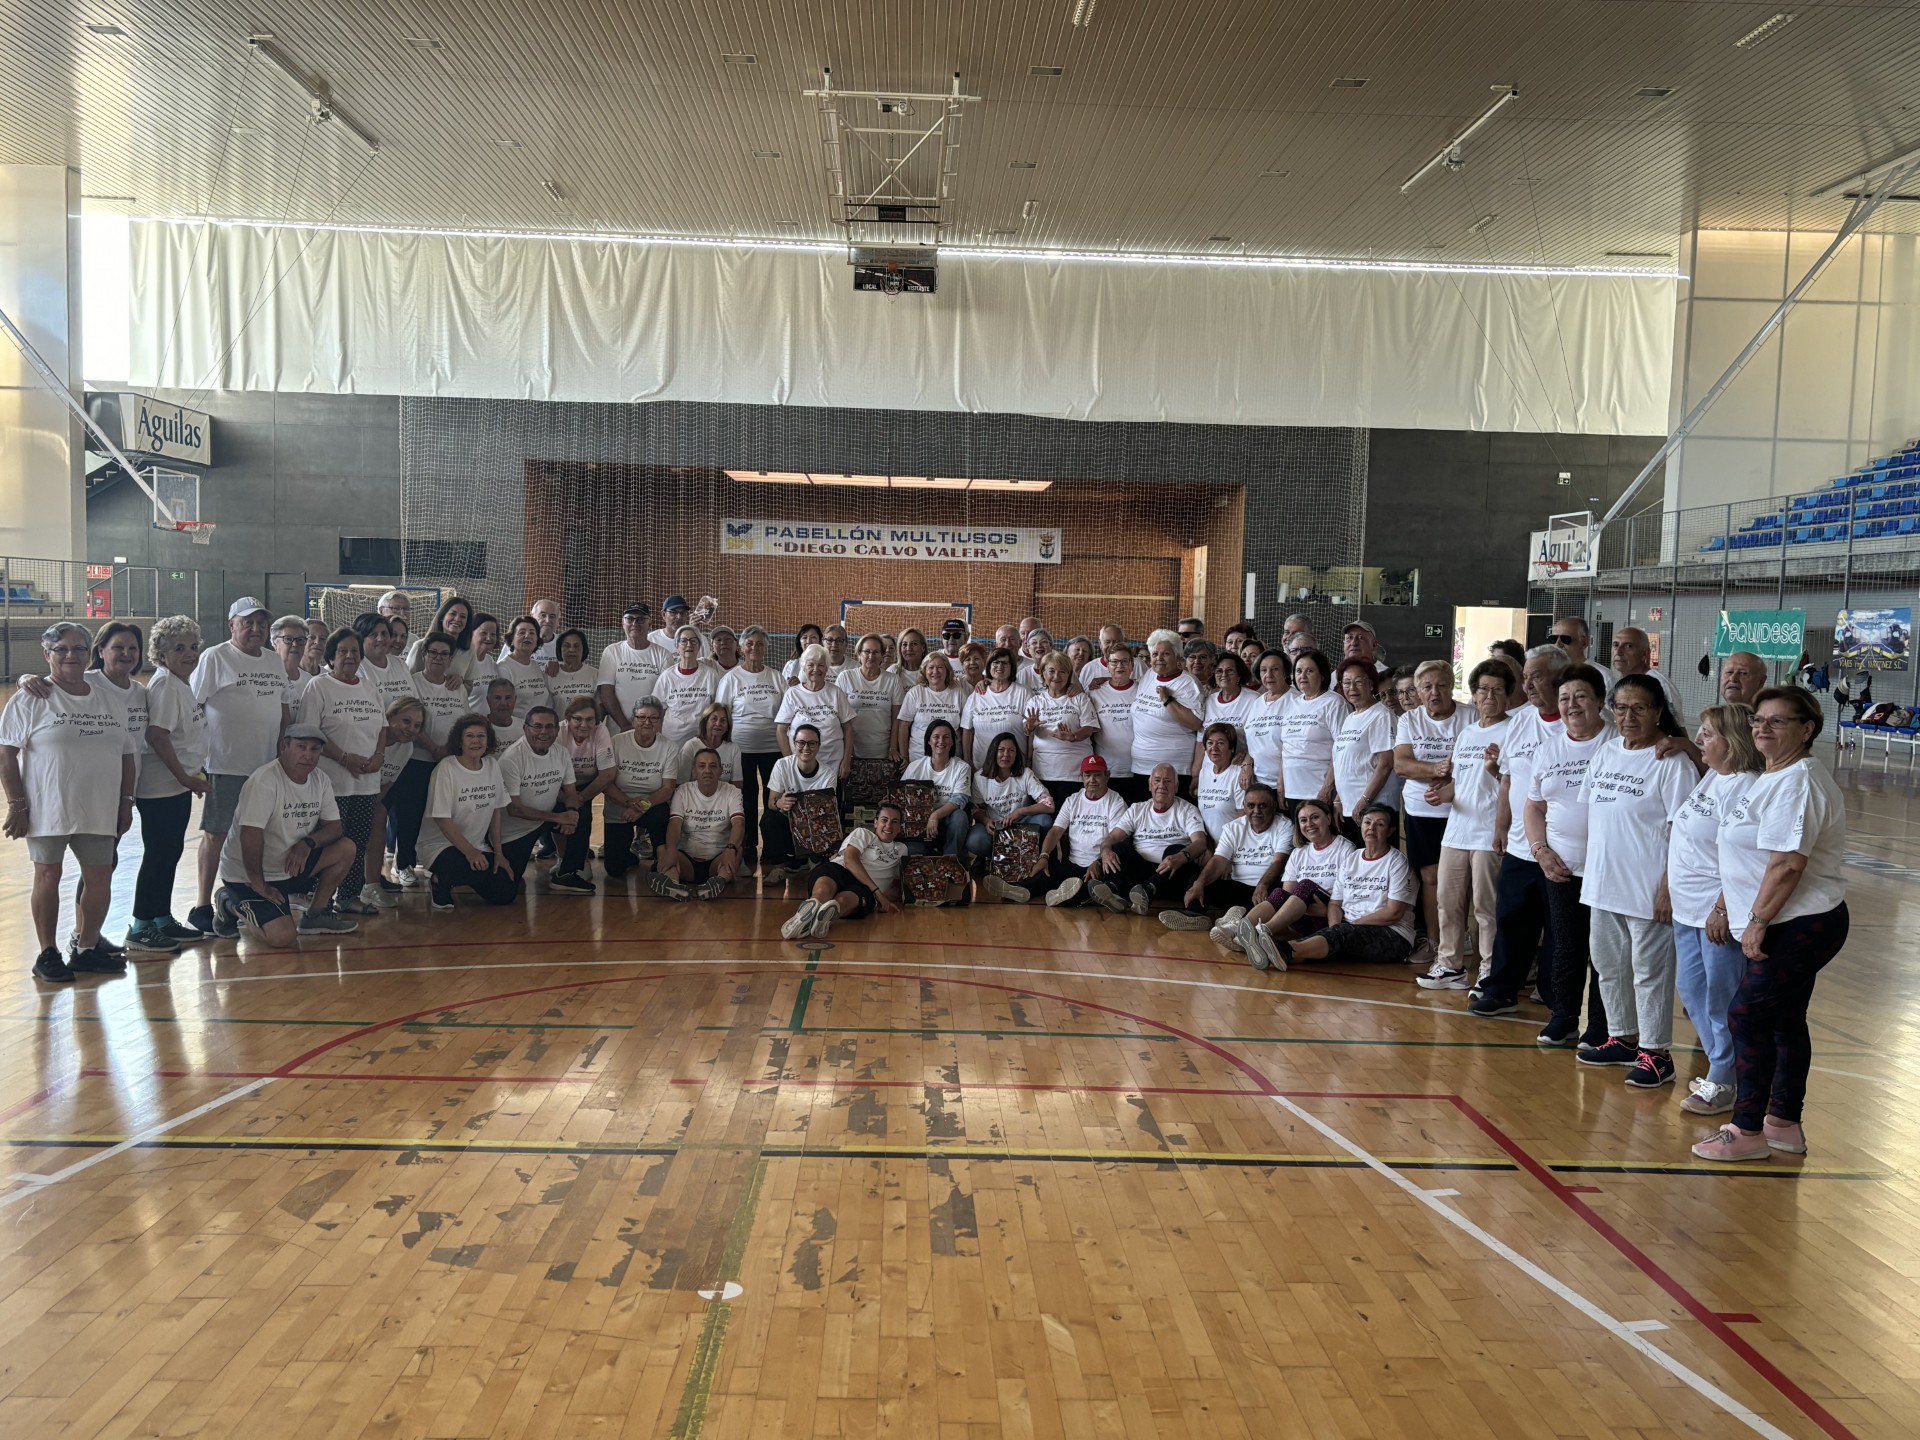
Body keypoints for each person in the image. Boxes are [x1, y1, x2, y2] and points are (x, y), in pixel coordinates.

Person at [1693, 688, 1850, 1162]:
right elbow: (1748, 854)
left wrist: (1758, 922)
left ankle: (1746, 1130)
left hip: (1797, 923)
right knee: (1782, 1019)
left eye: (1778, 722)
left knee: (1747, 1015)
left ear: (1807, 729)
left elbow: (1786, 864)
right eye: (1760, 720)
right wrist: (1730, 905)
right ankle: (1782, 1124)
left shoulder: (1798, 781)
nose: (1763, 728)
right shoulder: (1772, 775)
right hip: (1780, 919)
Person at [1577, 674, 1702, 1086]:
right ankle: (1623, 1037)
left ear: (1659, 713)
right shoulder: (1607, 753)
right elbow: (1596, 818)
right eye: (1621, 707)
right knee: (1609, 967)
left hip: (1648, 890)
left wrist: (1668, 887)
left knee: (1650, 972)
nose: (1628, 716)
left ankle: (1657, 1054)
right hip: (1602, 883)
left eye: (1639, 708)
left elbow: (1683, 833)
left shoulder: (1672, 764)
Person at [1, 623, 139, 978]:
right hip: (48, 806)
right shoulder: (31, 698)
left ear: (88, 653)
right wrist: (17, 804)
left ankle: (86, 947)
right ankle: (47, 953)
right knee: (48, 874)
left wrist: (126, 801)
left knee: (100, 877)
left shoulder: (109, 697)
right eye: (61, 649)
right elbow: (6, 755)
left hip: (100, 805)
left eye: (78, 649)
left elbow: (127, 753)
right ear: (47, 654)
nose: (70, 656)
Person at [1666, 703, 1762, 1116]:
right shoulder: (1713, 778)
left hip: (1716, 913)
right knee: (1692, 991)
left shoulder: (1747, 785)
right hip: (1686, 908)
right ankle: (1725, 1067)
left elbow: (1743, 856)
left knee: (1721, 999)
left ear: (1732, 740)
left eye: (1708, 734)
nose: (1699, 740)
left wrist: (1722, 907)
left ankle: (1725, 1077)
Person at [1468, 644, 1571, 1019]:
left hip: (1563, 849)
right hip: (1520, 845)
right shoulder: (1522, 721)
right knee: (1512, 920)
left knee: (1558, 928)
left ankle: (1553, 990)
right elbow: (1508, 780)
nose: (1527, 685)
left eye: (1536, 676)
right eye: (1525, 677)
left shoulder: (1583, 720)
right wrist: (1501, 827)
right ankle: (1502, 989)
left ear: (1560, 676)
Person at [187, 598, 293, 936]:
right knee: (216, 834)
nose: (255, 629)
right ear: (232, 625)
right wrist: (197, 759)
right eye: (247, 622)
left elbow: (284, 708)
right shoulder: (215, 657)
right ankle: (203, 905)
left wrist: (282, 748)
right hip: (225, 764)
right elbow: (193, 706)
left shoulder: (274, 660)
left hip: (266, 766)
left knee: (257, 834)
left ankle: (244, 895)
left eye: (261, 623)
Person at [1524, 664, 1614, 1049]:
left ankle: (1602, 1024)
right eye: (1564, 698)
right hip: (1561, 867)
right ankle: (1564, 1016)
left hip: (1609, 871)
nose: (1572, 705)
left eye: (1580, 697)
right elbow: (1533, 807)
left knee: (1605, 951)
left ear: (1599, 701)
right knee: (1565, 944)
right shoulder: (1549, 749)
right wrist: (1541, 851)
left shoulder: (1617, 743)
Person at [210, 724, 359, 945]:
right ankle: (229, 903)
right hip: (248, 876)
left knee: (346, 848)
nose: (308, 755)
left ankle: (315, 916)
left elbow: (335, 828)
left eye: (314, 749)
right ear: (284, 747)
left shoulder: (320, 779)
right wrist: (259, 884)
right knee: (282, 937)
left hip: (289, 867)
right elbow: (250, 836)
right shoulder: (264, 781)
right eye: (301, 747)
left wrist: (308, 843)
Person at [1419, 660, 1517, 991]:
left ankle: (1489, 968)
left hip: (1489, 832)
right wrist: (1440, 794)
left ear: (1508, 697)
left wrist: (1494, 770)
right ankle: (1450, 965)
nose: (1489, 696)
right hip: (1457, 831)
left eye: (1498, 690)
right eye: (1483, 689)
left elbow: (1515, 785)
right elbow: (1458, 785)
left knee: (1486, 908)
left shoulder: (1513, 731)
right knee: (1448, 902)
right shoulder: (1467, 733)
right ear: (1473, 695)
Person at [1241, 805, 1416, 972]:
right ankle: (1269, 948)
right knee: (1323, 940)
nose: (1371, 828)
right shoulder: (1353, 859)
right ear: (1361, 825)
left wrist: (1350, 926)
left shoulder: (1397, 862)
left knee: (1336, 936)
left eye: (1380, 824)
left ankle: (1280, 949)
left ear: (1391, 831)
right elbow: (1334, 904)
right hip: (1349, 928)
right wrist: (1334, 928)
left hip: (1393, 935)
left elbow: (1394, 913)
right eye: (1367, 822)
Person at [129, 616, 209, 949]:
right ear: (161, 653)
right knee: (158, 854)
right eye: (179, 648)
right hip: (161, 787)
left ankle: (161, 917)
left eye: (193, 647)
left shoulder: (182, 682)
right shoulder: (164, 685)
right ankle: (140, 925)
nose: (189, 654)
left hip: (178, 785)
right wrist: (184, 777)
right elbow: (157, 736)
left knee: (171, 852)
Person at [299, 628, 390, 916]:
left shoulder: (368, 686)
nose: (350, 656)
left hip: (366, 783)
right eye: (343, 651)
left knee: (358, 840)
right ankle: (318, 899)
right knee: (330, 843)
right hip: (331, 783)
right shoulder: (318, 687)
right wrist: (344, 758)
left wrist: (378, 756)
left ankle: (348, 896)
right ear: (331, 656)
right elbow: (310, 733)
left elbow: (383, 727)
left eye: (355, 651)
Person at [1394, 659, 1466, 968]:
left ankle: (1461, 942)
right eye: (1427, 687)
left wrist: (1451, 780)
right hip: (1421, 811)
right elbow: (1402, 765)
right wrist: (1435, 769)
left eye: (1440, 685)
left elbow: (1474, 764)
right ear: (1419, 692)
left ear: (1451, 687)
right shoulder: (1410, 720)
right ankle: (1435, 942)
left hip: (1464, 811)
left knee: (1464, 881)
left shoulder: (1471, 716)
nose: (1434, 692)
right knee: (1430, 878)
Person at [1227, 797, 1356, 963]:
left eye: (1315, 817)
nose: (1309, 824)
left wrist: (1326, 911)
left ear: (1329, 818)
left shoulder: (1346, 849)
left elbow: (1351, 895)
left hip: (1329, 917)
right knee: (1280, 893)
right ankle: (1240, 930)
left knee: (1305, 886)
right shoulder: (1299, 852)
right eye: (1303, 820)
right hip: (1304, 915)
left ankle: (1262, 932)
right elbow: (1287, 897)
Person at [420, 713, 516, 908]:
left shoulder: (492, 765)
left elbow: (497, 811)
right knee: (465, 867)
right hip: (440, 846)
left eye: (481, 736)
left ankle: (470, 874)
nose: (475, 741)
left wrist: (498, 853)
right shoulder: (446, 768)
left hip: (478, 845)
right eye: (469, 736)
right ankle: (440, 880)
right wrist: (470, 852)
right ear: (460, 741)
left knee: (505, 893)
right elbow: (442, 819)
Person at [393, 632, 467, 883]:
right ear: (424, 654)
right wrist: (433, 747)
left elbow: (462, 724)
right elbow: (410, 721)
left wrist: (450, 749)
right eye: (433, 652)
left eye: (443, 654)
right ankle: (403, 864)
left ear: (450, 658)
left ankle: (436, 861)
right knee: (410, 815)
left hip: (448, 764)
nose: (438, 658)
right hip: (417, 762)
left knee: (443, 816)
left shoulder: (457, 687)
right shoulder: (412, 683)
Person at [1170, 782, 1291, 931]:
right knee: (1198, 878)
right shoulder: (1233, 827)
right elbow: (1218, 860)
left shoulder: (1285, 826)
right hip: (1237, 889)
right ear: (1244, 807)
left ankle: (1239, 924)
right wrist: (1200, 883)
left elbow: (1278, 862)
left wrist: (1262, 885)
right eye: (1251, 806)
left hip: (1264, 890)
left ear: (1273, 805)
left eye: (1262, 806)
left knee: (1278, 890)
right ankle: (1194, 916)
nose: (1256, 811)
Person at [1090, 763, 1208, 916]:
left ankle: (1149, 889)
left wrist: (1181, 856)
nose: (1161, 785)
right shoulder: (1137, 809)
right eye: (1157, 780)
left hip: (1172, 875)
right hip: (1140, 875)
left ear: (1176, 786)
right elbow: (1112, 837)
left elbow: (1200, 842)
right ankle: (1113, 891)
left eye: (1167, 781)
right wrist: (1105, 851)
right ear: (1150, 785)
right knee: (1117, 847)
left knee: (1175, 849)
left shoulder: (1188, 809)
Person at [780, 802, 909, 940]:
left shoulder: (902, 850)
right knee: (823, 892)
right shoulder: (863, 833)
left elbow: (899, 883)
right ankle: (813, 909)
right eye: (884, 820)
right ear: (875, 822)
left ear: (900, 827)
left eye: (895, 822)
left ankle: (820, 915)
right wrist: (878, 893)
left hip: (863, 889)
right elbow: (850, 859)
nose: (889, 826)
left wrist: (892, 898)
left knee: (842, 901)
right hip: (841, 870)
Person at [717, 626, 785, 861]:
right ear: (741, 648)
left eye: (759, 643)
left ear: (766, 648)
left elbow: (788, 712)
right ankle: (746, 846)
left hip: (773, 748)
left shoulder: (777, 677)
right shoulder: (731, 678)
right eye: (750, 643)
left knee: (772, 799)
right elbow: (722, 715)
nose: (754, 648)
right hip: (740, 750)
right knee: (745, 798)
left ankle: (773, 849)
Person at [1026, 755, 1130, 906]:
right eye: (1088, 775)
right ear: (1081, 777)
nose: (1092, 780)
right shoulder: (1073, 800)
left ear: (1107, 775)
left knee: (1090, 885)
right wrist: (1044, 857)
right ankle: (1018, 889)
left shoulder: (1116, 802)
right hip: (1074, 864)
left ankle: (1070, 898)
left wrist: (1099, 863)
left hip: (1101, 865)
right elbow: (1055, 831)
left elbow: (1117, 839)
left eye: (1097, 775)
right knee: (1044, 874)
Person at [496, 706, 578, 883]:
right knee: (507, 888)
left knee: (581, 815)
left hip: (543, 821)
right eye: (537, 726)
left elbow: (571, 793)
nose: (543, 732)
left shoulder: (561, 753)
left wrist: (571, 813)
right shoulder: (511, 759)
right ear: (526, 728)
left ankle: (566, 872)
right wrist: (558, 817)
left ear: (557, 730)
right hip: (515, 831)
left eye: (549, 727)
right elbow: (514, 810)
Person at [970, 732, 1057, 897]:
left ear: (1017, 754)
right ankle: (999, 862)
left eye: (1011, 750)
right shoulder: (980, 777)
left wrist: (1021, 811)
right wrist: (985, 819)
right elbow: (975, 808)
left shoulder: (1025, 774)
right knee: (975, 840)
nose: (1006, 755)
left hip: (1022, 826)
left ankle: (1034, 860)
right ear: (993, 752)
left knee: (1045, 820)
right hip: (996, 829)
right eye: (1001, 750)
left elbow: (1049, 805)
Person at [603, 698, 677, 879]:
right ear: (633, 719)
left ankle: (662, 862)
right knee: (614, 870)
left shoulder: (669, 747)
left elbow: (668, 788)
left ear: (660, 721)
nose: (647, 722)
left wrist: (642, 806)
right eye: (642, 717)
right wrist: (628, 802)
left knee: (662, 813)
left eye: (653, 718)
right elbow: (606, 783)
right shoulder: (616, 742)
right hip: (620, 805)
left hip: (652, 805)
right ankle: (628, 855)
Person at [657, 748, 744, 900]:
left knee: (737, 851)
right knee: (663, 849)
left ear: (721, 770)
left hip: (718, 859)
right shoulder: (683, 791)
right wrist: (671, 849)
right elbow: (675, 825)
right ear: (694, 771)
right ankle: (673, 885)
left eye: (713, 766)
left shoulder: (732, 791)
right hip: (687, 859)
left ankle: (718, 882)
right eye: (702, 766)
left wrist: (731, 848)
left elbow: (739, 824)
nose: (707, 770)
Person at [761, 725, 841, 882]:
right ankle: (780, 867)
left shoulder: (828, 775)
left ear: (818, 746)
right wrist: (780, 803)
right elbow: (771, 802)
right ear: (794, 744)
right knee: (769, 819)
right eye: (801, 742)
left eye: (812, 743)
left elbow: (826, 813)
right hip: (788, 822)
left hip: (815, 824)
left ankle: (811, 859)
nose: (806, 747)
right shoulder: (782, 765)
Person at [552, 697, 615, 893]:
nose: (584, 724)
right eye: (578, 719)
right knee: (559, 813)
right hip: (559, 785)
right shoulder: (558, 733)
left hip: (588, 784)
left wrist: (579, 799)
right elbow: (552, 776)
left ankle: (576, 865)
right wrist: (568, 799)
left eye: (590, 720)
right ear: (568, 719)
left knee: (584, 816)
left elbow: (607, 773)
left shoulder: (601, 731)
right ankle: (563, 860)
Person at [1330, 658, 1398, 840]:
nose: (1352, 687)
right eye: (1346, 682)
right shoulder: (1351, 717)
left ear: (1371, 684)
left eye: (1358, 681)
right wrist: (1338, 799)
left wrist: (1364, 801)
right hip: (1350, 806)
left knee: (1376, 862)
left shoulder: (1381, 715)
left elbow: (1386, 763)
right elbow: (1345, 763)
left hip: (1374, 809)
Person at [1023, 651, 1099, 806]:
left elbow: (1089, 728)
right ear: (1043, 673)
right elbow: (1026, 729)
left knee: (1068, 822)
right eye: (1051, 671)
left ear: (1069, 675)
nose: (1056, 676)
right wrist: (1029, 726)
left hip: (1073, 773)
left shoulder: (1080, 698)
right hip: (1042, 772)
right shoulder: (1035, 701)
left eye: (1062, 672)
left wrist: (1073, 736)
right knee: (1042, 821)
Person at [1131, 630, 1205, 787]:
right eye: (1155, 654)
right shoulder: (1149, 675)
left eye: (1166, 654)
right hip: (1141, 769)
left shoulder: (1188, 683)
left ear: (1178, 656)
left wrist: (1168, 700)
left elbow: (1196, 723)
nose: (1159, 658)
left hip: (1174, 771)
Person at [1281, 649, 1350, 814]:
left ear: (1323, 675)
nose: (1302, 676)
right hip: (1292, 790)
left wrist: (1328, 787)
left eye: (1309, 671)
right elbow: (1285, 748)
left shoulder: (1334, 702)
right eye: (1298, 671)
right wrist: (1281, 784)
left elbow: (1341, 749)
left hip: (1318, 789)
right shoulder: (1292, 703)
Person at [777, 644, 856, 784]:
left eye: (821, 665)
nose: (815, 669)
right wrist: (790, 762)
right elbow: (781, 730)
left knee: (829, 803)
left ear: (827, 668)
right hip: (801, 766)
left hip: (832, 764)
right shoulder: (793, 694)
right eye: (810, 665)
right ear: (803, 667)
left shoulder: (836, 693)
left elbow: (848, 728)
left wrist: (846, 761)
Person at [900, 719, 973, 857]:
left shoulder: (962, 767)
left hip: (947, 822)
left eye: (946, 737)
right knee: (913, 851)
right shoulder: (915, 767)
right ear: (928, 741)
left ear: (952, 742)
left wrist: (935, 815)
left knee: (960, 817)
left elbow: (959, 800)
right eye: (936, 737)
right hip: (920, 824)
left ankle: (950, 859)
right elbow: (902, 796)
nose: (941, 741)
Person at [840, 633, 905, 777]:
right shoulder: (845, 677)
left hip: (882, 751)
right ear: (859, 654)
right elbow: (839, 718)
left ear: (882, 655)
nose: (871, 656)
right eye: (867, 651)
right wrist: (846, 753)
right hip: (852, 751)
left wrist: (893, 748)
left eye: (876, 652)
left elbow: (896, 718)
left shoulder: (893, 680)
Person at [598, 603, 669, 727]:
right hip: (618, 730)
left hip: (651, 730)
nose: (635, 623)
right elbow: (606, 693)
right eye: (630, 619)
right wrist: (624, 725)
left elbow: (666, 698)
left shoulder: (663, 655)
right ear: (623, 623)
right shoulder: (612, 651)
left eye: (641, 619)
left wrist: (650, 725)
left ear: (649, 624)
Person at [1087, 643, 1142, 802]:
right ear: (1107, 665)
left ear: (1132, 665)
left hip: (1137, 768)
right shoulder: (1095, 691)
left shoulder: (1143, 689)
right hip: (1107, 769)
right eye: (1114, 662)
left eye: (1125, 661)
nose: (1120, 666)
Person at [962, 647, 1030, 771]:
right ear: (989, 666)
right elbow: (967, 729)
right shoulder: (978, 694)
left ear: (1012, 667)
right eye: (996, 662)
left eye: (1005, 663)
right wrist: (967, 760)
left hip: (1014, 767)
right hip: (982, 767)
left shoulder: (1023, 693)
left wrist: (1030, 760)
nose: (1000, 666)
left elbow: (1031, 732)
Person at [653, 625, 719, 749]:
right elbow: (656, 709)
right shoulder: (667, 676)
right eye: (684, 641)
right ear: (677, 646)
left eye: (693, 641)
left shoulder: (710, 675)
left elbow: (717, 707)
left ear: (699, 646)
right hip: (672, 742)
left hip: (702, 741)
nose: (689, 645)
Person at [896, 652, 966, 766]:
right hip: (919, 759)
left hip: (951, 760)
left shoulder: (958, 693)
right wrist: (904, 756)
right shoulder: (915, 693)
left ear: (947, 670)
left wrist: (966, 757)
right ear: (924, 670)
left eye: (940, 667)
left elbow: (966, 728)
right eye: (931, 667)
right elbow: (903, 725)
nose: (935, 671)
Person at [1241, 649, 1292, 795]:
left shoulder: (1296, 700)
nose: (1268, 675)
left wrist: (1282, 782)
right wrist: (1247, 764)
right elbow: (1253, 743)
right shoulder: (1256, 703)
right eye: (1263, 670)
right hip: (1259, 784)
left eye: (1275, 669)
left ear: (1286, 672)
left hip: (1288, 784)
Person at [1190, 722, 1247, 843]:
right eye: (1210, 743)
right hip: (1209, 844)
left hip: (1233, 843)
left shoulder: (1238, 773)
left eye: (1220, 743)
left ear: (1231, 747)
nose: (1214, 748)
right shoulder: (1204, 772)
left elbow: (1243, 818)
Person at [1610, 626, 1681, 717]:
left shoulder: (1660, 683)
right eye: (1615, 645)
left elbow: (1677, 725)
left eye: (1629, 646)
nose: (1619, 652)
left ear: (1644, 654)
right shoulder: (1620, 682)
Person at [496, 616, 556, 722]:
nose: (527, 636)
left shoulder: (535, 666)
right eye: (521, 632)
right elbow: (501, 709)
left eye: (532, 633)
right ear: (512, 639)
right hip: (518, 732)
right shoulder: (503, 668)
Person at [1200, 652, 1255, 761]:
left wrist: (1247, 758)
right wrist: (1196, 774)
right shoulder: (1209, 701)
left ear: (1239, 675)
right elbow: (1200, 742)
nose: (1224, 675)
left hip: (1239, 767)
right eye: (1219, 671)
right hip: (1209, 769)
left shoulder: (1253, 700)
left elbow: (1259, 740)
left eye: (1230, 670)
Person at [677, 702, 741, 785]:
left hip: (725, 796)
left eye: (723, 720)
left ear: (727, 727)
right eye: (714, 719)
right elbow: (681, 784)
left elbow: (737, 784)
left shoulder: (734, 749)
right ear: (705, 722)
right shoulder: (691, 746)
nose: (718, 724)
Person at [1548, 616, 1614, 691]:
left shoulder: (1603, 676)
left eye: (1565, 639)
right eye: (1553, 639)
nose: (1558, 644)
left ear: (1584, 642)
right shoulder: (1546, 673)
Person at [411, 595, 473, 671]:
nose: (457, 619)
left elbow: (469, 682)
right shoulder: (419, 646)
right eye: (453, 614)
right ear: (442, 616)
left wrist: (461, 680)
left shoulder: (469, 651)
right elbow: (407, 679)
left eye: (463, 616)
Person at [548, 627, 599, 716]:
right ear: (560, 649)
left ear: (584, 649)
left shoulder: (595, 674)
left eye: (576, 646)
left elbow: (599, 708)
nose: (571, 650)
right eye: (566, 646)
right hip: (559, 728)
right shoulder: (550, 674)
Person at [271, 614, 314, 708]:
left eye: (300, 640)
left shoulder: (310, 682)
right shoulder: (267, 678)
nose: (295, 644)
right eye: (288, 639)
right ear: (274, 643)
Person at [1079, 624, 1127, 688]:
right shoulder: (1088, 668)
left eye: (1116, 642)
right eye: (1107, 642)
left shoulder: (1138, 665)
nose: (1112, 645)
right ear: (1100, 644)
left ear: (1124, 642)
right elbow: (1079, 694)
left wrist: (1107, 680)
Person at [483, 679, 521, 750]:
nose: (503, 703)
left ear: (515, 700)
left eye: (508, 698)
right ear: (488, 700)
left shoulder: (525, 729)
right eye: (497, 698)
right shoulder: (480, 730)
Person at [529, 596, 564, 663]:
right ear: (532, 617)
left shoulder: (564, 644)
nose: (548, 620)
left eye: (552, 616)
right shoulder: (518, 641)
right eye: (543, 615)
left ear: (557, 621)